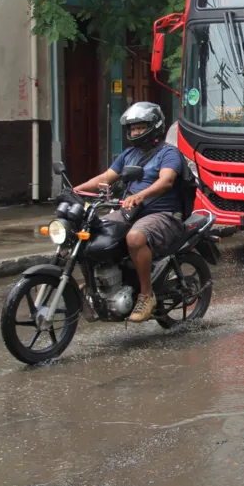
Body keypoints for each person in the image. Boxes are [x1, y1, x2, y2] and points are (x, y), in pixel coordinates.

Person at [74, 102, 184, 323]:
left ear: (155, 126)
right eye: (133, 128)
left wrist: (141, 195)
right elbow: (105, 178)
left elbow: (166, 181)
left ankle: (146, 294)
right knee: (90, 231)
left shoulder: (169, 153)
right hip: (130, 211)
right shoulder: (128, 155)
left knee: (135, 238)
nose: (135, 132)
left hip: (162, 213)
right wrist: (77, 189)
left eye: (140, 127)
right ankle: (94, 285)